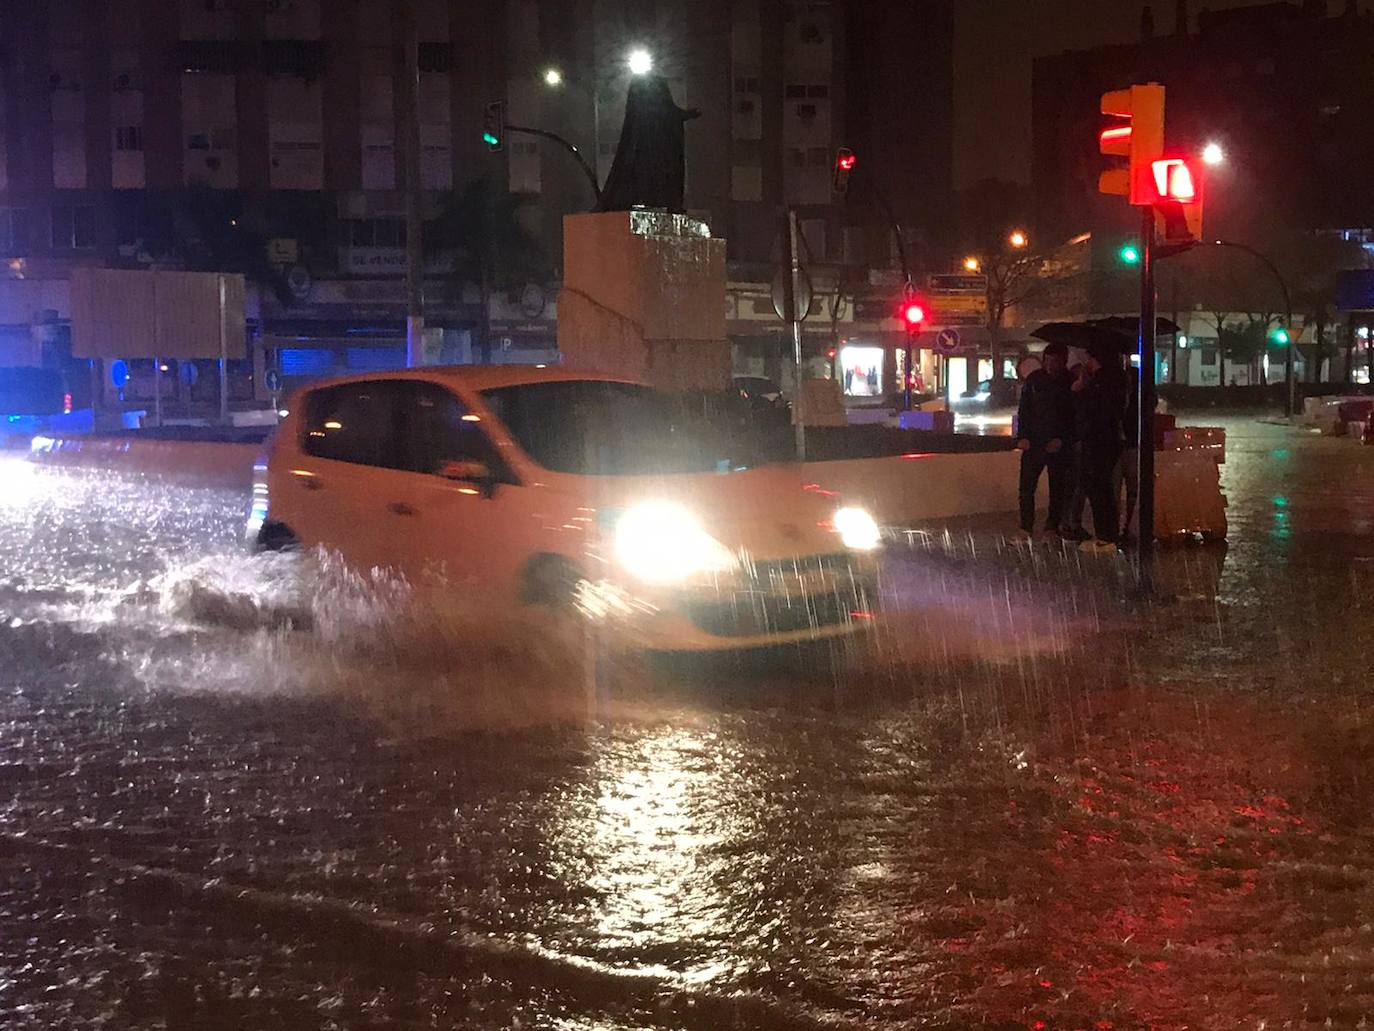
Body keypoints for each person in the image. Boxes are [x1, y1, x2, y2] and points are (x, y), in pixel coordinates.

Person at [1014, 342, 1075, 540]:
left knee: (1058, 486)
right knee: (1026, 487)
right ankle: (1026, 526)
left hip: (1058, 444)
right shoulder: (1034, 380)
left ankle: (1052, 525)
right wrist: (1022, 436)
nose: (1050, 365)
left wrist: (1062, 439)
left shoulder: (1070, 382)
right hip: (1034, 442)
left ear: (1063, 362)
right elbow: (1024, 411)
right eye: (1047, 360)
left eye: (1055, 361)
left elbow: (1074, 417)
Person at [1074, 342, 1129, 553]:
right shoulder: (1117, 378)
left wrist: (1080, 390)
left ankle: (1106, 536)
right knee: (1101, 487)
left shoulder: (1101, 381)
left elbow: (1093, 410)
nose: (1086, 362)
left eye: (1088, 358)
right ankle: (1108, 535)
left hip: (1098, 439)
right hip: (1109, 439)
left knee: (1097, 487)